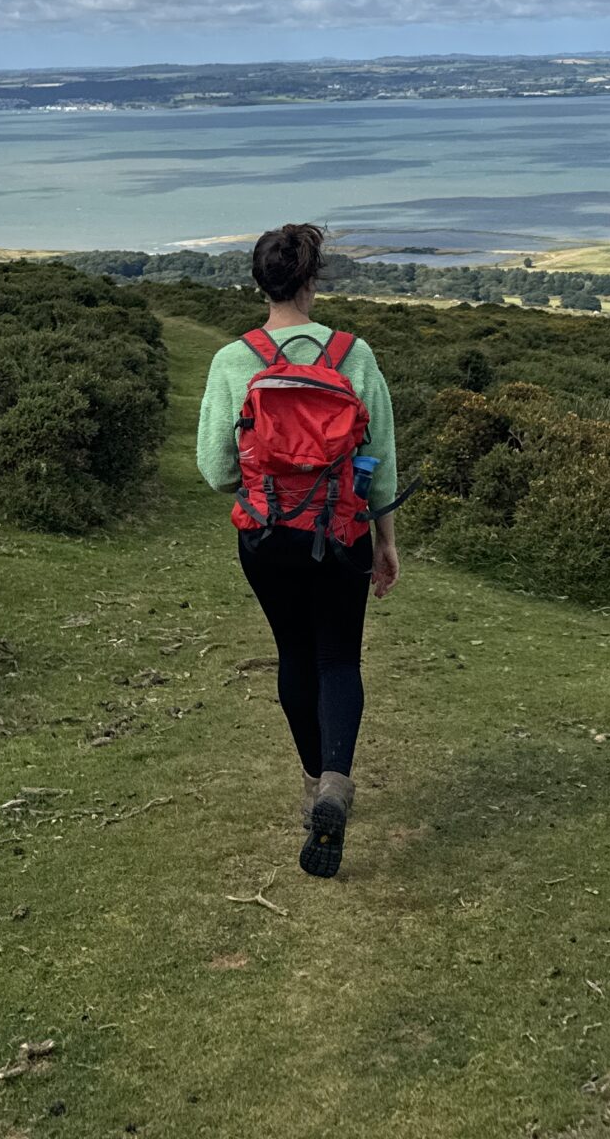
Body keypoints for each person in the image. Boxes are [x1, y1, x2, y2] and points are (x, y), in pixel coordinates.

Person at [196, 222, 399, 878]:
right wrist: (386, 541)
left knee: (295, 654)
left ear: (261, 283)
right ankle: (339, 779)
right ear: (313, 281)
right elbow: (384, 464)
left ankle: (315, 784)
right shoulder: (354, 356)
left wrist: (270, 475)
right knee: (340, 657)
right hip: (342, 535)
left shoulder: (234, 360)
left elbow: (214, 468)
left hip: (266, 536)